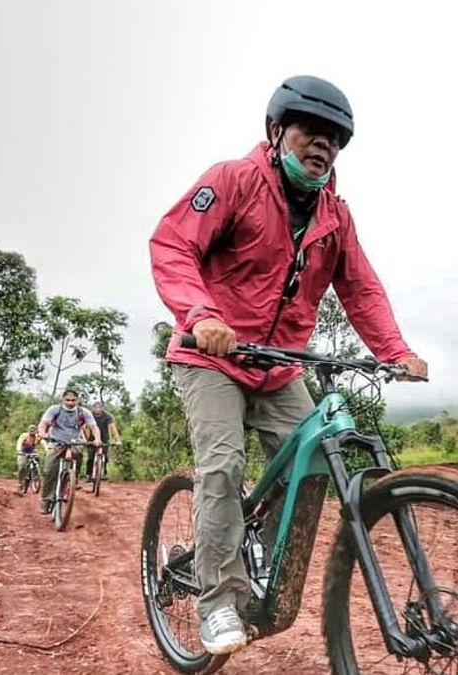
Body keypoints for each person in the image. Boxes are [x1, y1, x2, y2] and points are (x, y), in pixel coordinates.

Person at [149, 74, 428, 655]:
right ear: (276, 131)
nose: (321, 146)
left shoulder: (334, 216)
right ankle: (218, 599)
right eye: (309, 131)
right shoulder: (234, 180)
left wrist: (394, 352)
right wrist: (201, 315)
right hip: (212, 357)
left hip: (279, 368)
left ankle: (257, 561)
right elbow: (174, 245)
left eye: (333, 139)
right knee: (222, 468)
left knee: (316, 468)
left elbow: (362, 289)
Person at [36, 388, 100, 514]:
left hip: (74, 441)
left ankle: (73, 478)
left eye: (73, 400)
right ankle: (47, 500)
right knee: (49, 470)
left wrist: (97, 439)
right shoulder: (55, 409)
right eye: (67, 400)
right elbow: (43, 423)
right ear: (63, 399)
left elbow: (94, 427)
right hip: (56, 441)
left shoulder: (83, 412)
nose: (70, 403)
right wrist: (42, 433)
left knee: (79, 453)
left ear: (78, 400)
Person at [83, 400, 122, 481]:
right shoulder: (90, 415)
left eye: (99, 407)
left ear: (102, 408)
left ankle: (103, 472)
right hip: (91, 439)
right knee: (90, 457)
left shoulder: (107, 416)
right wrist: (85, 439)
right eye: (96, 407)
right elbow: (85, 427)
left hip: (104, 438)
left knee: (105, 456)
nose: (97, 409)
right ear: (93, 408)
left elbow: (113, 428)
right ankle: (89, 474)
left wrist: (117, 440)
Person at [15, 424, 47, 492]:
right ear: (28, 431)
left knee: (37, 460)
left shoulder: (37, 437)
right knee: (21, 467)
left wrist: (47, 450)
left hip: (32, 452)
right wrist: (19, 450)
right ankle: (20, 482)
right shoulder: (24, 435)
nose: (32, 433)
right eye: (31, 431)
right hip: (23, 452)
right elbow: (19, 442)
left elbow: (43, 442)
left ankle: (35, 476)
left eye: (33, 431)